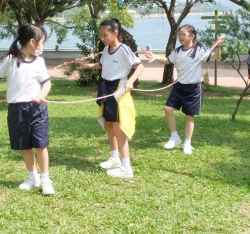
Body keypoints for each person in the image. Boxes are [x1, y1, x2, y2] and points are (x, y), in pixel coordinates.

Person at [0, 24, 55, 196]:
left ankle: (45, 179)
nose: (42, 46)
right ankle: (32, 177)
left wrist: (42, 95)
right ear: (32, 42)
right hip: (17, 110)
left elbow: (47, 83)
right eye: (42, 42)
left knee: (41, 145)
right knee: (25, 145)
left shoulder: (39, 61)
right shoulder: (10, 60)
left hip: (37, 109)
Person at [76, 18, 145, 178]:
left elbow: (140, 66)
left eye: (105, 35)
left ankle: (126, 168)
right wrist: (86, 66)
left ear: (115, 33)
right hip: (106, 88)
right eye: (101, 35)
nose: (102, 38)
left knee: (118, 128)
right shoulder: (107, 50)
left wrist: (130, 82)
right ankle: (115, 158)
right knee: (108, 124)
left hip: (118, 90)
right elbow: (102, 65)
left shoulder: (124, 49)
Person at [143, 25, 224, 155]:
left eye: (183, 34)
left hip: (194, 88)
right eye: (179, 34)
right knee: (167, 109)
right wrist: (154, 56)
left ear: (191, 36)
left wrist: (218, 46)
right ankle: (174, 137)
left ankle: (187, 142)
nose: (180, 37)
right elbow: (167, 61)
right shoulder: (178, 51)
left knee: (189, 116)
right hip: (179, 86)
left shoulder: (199, 50)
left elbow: (215, 56)